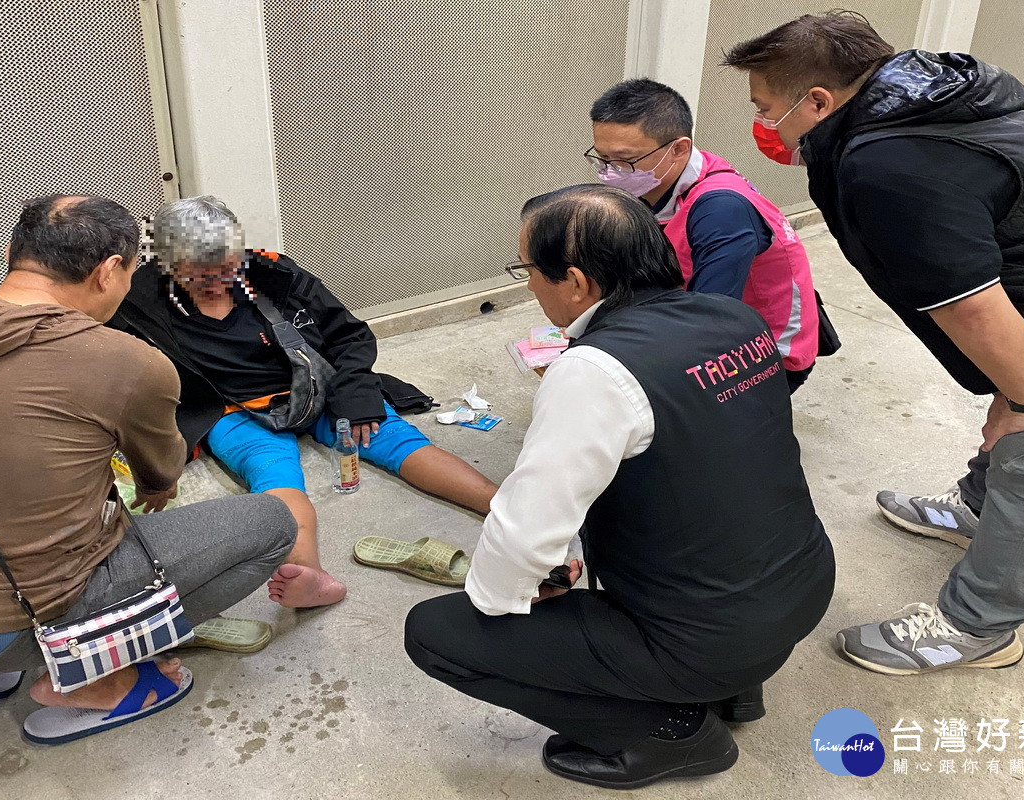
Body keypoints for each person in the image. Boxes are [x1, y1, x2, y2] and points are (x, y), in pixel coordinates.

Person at [404, 185, 835, 790]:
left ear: (576, 283)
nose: (527, 284)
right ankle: (735, 687)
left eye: (526, 270)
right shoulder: (733, 317)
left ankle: (669, 736)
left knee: (437, 635)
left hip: (707, 638)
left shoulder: (594, 371)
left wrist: (516, 597)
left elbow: (524, 531)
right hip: (801, 588)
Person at [725, 11, 1024, 675]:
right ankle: (976, 509)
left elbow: (975, 307)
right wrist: (1019, 389)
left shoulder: (893, 166)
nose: (762, 121)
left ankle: (976, 629)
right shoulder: (919, 99)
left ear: (817, 100)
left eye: (765, 106)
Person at [0, 195, 298, 743]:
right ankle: (92, 680)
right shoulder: (124, 361)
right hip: (1, 623)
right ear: (108, 270)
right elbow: (159, 478)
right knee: (271, 523)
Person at [110, 196, 499, 606]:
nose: (218, 282)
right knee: (274, 474)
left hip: (315, 383)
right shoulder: (138, 300)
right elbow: (122, 380)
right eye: (200, 274)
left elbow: (348, 334)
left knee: (395, 441)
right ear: (169, 266)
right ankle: (311, 576)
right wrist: (153, 460)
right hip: (231, 407)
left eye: (227, 266)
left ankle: (504, 507)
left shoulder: (274, 272)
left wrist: (357, 395)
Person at [586, 78, 821, 392]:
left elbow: (708, 324)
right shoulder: (667, 176)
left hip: (766, 355)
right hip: (708, 314)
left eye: (624, 160)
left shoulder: (721, 209)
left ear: (679, 149)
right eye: (602, 158)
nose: (610, 172)